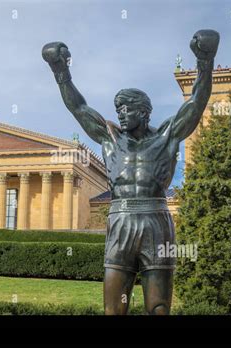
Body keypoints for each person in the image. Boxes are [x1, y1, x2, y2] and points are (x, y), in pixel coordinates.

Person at [42, 30, 219, 315]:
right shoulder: (109, 137)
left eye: (126, 109)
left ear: (144, 111)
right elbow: (78, 107)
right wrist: (60, 70)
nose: (120, 113)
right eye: (117, 109)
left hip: (156, 220)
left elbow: (196, 103)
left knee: (159, 307)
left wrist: (205, 62)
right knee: (113, 309)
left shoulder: (167, 135)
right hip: (120, 220)